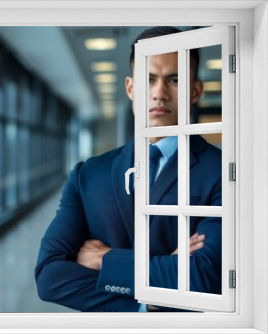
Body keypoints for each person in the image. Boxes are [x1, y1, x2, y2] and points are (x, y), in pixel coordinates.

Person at [35, 26, 222, 312]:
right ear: (130, 87)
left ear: (195, 90)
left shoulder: (223, 173)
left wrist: (106, 260)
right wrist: (152, 301)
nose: (159, 93)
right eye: (148, 79)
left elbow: (201, 277)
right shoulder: (88, 175)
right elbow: (50, 277)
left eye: (174, 79)